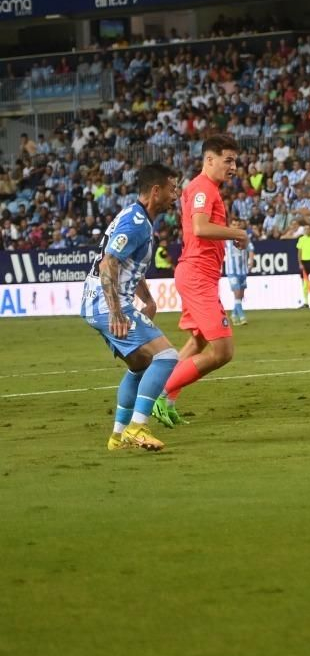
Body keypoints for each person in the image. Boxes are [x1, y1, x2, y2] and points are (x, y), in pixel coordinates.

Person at [81, 164, 183, 452]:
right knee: (167, 356)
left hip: (95, 304)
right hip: (106, 304)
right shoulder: (136, 223)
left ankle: (117, 437)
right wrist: (116, 311)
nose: (175, 195)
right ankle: (138, 427)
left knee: (140, 366)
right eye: (172, 189)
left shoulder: (136, 217)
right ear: (156, 191)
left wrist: (148, 300)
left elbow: (128, 266)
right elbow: (108, 263)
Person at [162, 136, 251, 410]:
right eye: (228, 160)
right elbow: (200, 227)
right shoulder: (203, 188)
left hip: (200, 275)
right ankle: (158, 393)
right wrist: (237, 233)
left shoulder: (201, 187)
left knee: (197, 342)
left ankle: (166, 400)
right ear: (209, 159)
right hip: (197, 275)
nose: (233, 167)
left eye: (235, 161)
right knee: (223, 351)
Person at [224, 223, 251, 326]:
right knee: (237, 293)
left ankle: (234, 314)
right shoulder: (225, 240)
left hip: (242, 271)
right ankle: (242, 317)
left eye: (237, 224)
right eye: (233, 224)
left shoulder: (243, 237)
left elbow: (251, 249)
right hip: (232, 271)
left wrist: (251, 260)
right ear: (230, 226)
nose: (236, 226)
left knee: (240, 295)